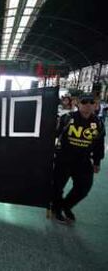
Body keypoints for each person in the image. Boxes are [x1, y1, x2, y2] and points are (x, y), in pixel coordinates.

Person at [52, 93, 105, 224]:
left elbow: (99, 143)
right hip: (63, 159)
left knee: (84, 188)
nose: (87, 105)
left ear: (96, 105)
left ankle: (66, 205)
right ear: (77, 104)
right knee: (57, 187)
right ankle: (56, 209)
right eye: (84, 102)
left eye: (91, 102)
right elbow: (53, 134)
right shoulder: (67, 118)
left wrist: (97, 161)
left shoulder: (98, 123)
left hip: (83, 161)